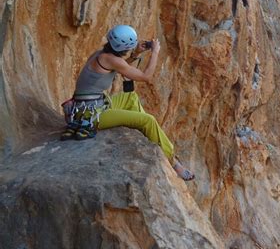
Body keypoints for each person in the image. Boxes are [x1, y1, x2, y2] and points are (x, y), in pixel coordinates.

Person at [63, 25, 194, 181]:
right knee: (148, 120)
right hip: (91, 116)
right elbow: (146, 77)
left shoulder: (102, 55)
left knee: (130, 97)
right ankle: (173, 162)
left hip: (87, 107)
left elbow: (121, 66)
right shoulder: (110, 60)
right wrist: (155, 53)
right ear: (124, 48)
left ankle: (148, 133)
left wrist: (137, 53)